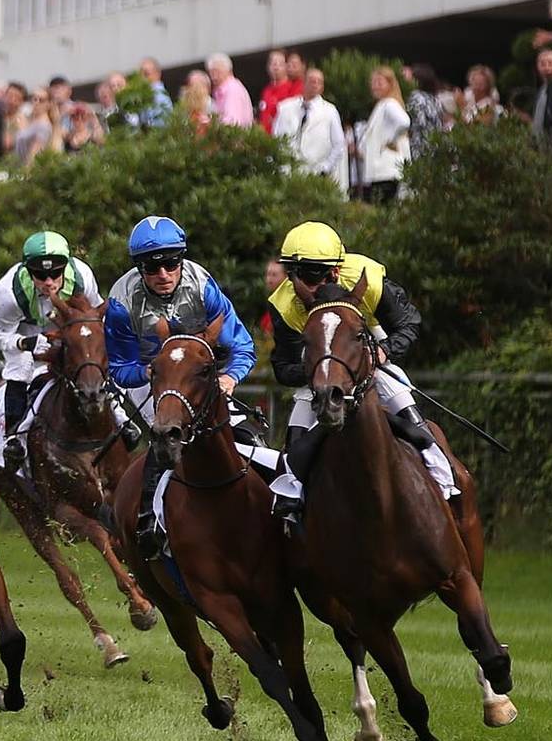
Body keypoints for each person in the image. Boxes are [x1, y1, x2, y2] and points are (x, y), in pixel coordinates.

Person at [264, 222, 455, 533]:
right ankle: (290, 508)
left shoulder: (370, 280)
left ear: (335, 272)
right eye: (293, 273)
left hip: (371, 356)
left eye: (310, 273)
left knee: (413, 418)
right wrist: (321, 369)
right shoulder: (283, 305)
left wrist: (384, 351)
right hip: (323, 374)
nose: (300, 285)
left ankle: (449, 489)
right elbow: (283, 366)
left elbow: (409, 323)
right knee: (293, 443)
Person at [104, 215, 255, 553]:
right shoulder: (120, 303)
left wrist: (229, 378)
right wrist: (151, 374)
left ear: (181, 259)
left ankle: (277, 506)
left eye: (171, 264)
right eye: (152, 268)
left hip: (201, 376)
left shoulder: (203, 286)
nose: (163, 275)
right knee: (165, 441)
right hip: (152, 377)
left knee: (243, 435)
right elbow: (120, 367)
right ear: (139, 268)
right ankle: (148, 520)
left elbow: (242, 346)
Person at [0, 230, 103, 469]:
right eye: (40, 275)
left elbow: (95, 314)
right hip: (24, 331)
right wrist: (24, 344)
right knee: (20, 367)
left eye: (55, 273)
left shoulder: (82, 276)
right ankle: (14, 436)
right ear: (28, 270)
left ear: (66, 267)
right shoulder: (7, 293)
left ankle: (120, 416)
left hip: (70, 323)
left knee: (92, 358)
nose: (49, 282)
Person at [272, 66, 347, 193]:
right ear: (304, 83)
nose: (316, 84)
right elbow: (275, 137)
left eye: (319, 82)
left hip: (315, 173)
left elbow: (339, 144)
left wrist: (326, 167)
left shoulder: (329, 111)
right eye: (312, 81)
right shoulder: (285, 108)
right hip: (289, 174)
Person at [359, 67, 411, 202]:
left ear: (390, 84)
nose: (375, 86)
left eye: (380, 82)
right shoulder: (381, 105)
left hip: (385, 171)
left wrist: (391, 140)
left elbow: (404, 122)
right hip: (382, 171)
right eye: (373, 82)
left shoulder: (389, 104)